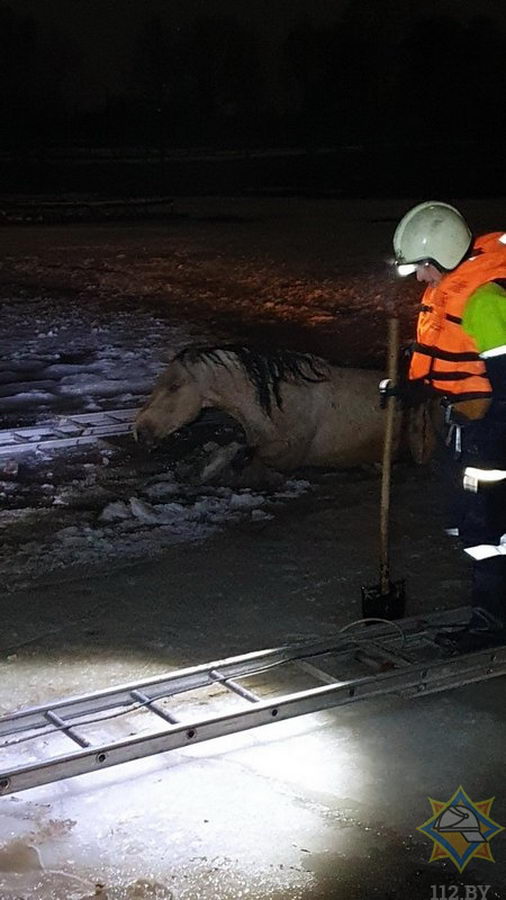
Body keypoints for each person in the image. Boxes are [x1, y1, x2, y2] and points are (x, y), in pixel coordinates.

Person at [393, 201, 506, 653]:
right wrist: (414, 391)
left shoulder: (484, 303)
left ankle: (492, 622)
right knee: (467, 524)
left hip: (492, 435)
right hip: (470, 429)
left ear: (443, 254)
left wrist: (492, 442)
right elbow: (457, 372)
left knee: (487, 531)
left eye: (421, 268)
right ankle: (491, 614)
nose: (419, 278)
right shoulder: (452, 294)